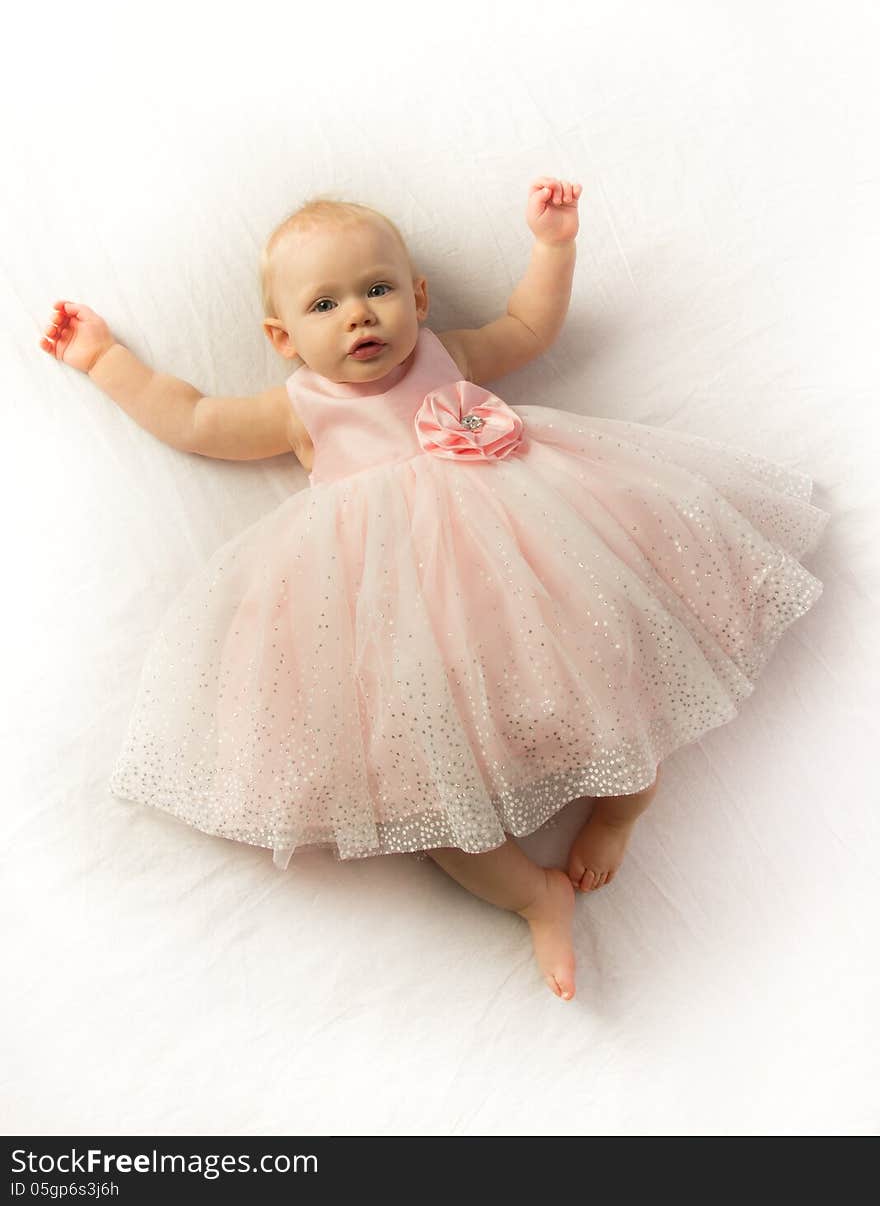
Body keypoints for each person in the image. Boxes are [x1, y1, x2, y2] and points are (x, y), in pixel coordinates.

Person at [39, 178, 830, 1001]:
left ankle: (621, 811)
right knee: (430, 805)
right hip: (406, 635)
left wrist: (553, 245)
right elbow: (196, 419)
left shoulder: (449, 354)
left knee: (618, 688)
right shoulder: (298, 408)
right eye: (325, 304)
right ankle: (534, 895)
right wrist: (105, 360)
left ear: (417, 296)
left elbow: (530, 323)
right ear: (282, 337)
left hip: (535, 581)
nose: (359, 314)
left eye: (378, 289)